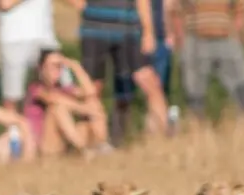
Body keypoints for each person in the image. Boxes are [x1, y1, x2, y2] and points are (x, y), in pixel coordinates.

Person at [63, 0, 170, 146]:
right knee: (91, 88)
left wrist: (148, 31)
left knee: (143, 81)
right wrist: (79, 4)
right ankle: (90, 143)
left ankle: (160, 139)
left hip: (128, 30)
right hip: (94, 29)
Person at [168, 0, 244, 120]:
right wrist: (179, 35)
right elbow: (176, 9)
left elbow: (239, 8)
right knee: (193, 89)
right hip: (196, 39)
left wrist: (237, 33)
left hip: (224, 37)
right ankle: (196, 125)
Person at [23, 50, 111, 157]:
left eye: (59, 66)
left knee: (93, 102)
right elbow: (54, 99)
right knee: (56, 108)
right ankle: (84, 150)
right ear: (41, 68)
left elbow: (91, 93)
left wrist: (76, 68)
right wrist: (84, 109)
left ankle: (101, 145)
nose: (56, 70)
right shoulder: (36, 89)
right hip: (43, 144)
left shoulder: (63, 89)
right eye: (52, 66)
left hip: (63, 142)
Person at [0, 0, 61, 113]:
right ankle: (14, 129)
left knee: (60, 87)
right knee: (13, 95)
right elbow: (5, 3)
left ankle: (51, 127)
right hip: (15, 38)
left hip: (45, 37)